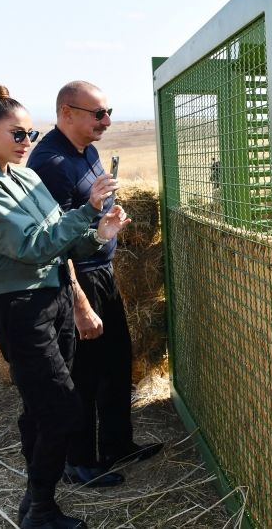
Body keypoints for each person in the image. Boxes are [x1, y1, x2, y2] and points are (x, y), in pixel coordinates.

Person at [0, 82, 129, 529]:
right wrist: (87, 211)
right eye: (17, 135)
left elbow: (57, 241)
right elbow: (30, 246)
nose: (28, 143)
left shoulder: (24, 175)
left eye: (31, 133)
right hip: (22, 306)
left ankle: (36, 504)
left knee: (41, 408)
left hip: (55, 296)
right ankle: (41, 508)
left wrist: (99, 233)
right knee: (61, 408)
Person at [27, 80, 162, 487]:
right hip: (75, 278)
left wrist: (107, 221)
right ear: (66, 112)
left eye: (109, 112)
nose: (106, 121)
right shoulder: (51, 164)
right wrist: (80, 304)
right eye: (97, 114)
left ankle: (117, 445)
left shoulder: (87, 151)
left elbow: (88, 215)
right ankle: (78, 462)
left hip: (101, 270)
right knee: (83, 375)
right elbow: (53, 244)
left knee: (116, 363)